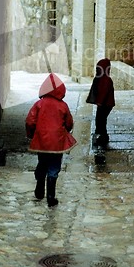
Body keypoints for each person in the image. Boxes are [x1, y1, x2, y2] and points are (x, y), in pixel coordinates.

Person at [26, 73, 77, 207]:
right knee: (54, 167)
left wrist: (32, 135)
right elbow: (69, 123)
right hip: (57, 142)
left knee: (42, 163)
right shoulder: (63, 106)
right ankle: (51, 196)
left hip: (41, 141)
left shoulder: (39, 104)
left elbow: (30, 121)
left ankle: (39, 188)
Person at [86, 58, 115, 148]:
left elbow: (104, 92)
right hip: (105, 104)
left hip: (105, 104)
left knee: (100, 120)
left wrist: (99, 102)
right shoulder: (103, 78)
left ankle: (103, 136)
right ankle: (102, 135)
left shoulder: (106, 80)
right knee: (101, 120)